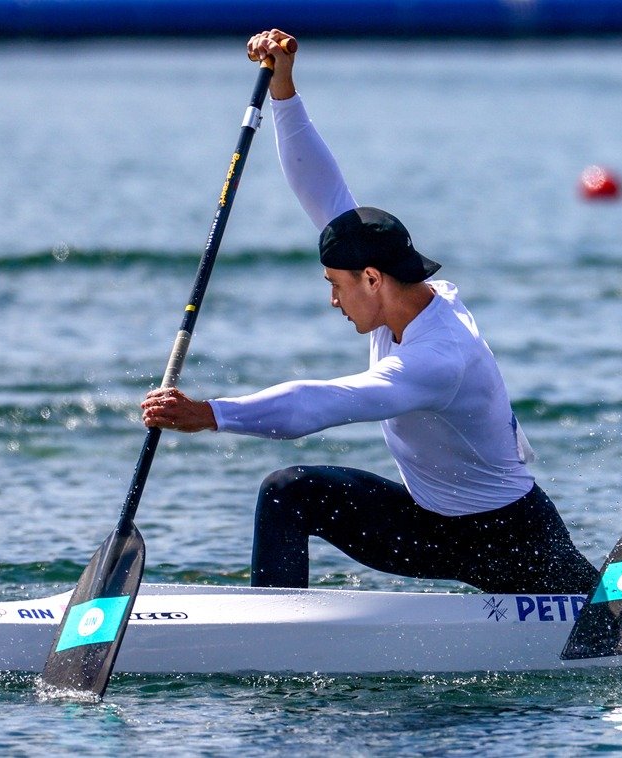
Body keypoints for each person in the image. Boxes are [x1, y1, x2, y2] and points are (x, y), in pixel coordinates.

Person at [140, 30, 598, 594]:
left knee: (606, 626)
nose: (333, 300)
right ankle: (276, 632)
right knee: (288, 492)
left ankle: (608, 604)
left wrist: (212, 414)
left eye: (336, 286)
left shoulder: (439, 356)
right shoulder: (395, 292)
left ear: (373, 278)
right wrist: (282, 86)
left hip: (510, 541)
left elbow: (325, 403)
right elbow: (323, 192)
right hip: (427, 524)